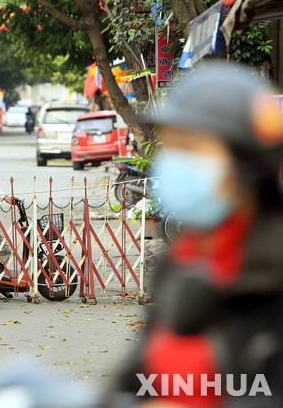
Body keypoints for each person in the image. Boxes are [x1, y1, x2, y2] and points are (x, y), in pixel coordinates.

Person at [108, 62, 283, 407]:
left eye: (190, 149)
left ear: (246, 163)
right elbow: (133, 383)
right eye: (171, 148)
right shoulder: (179, 263)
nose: (174, 164)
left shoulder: (274, 271)